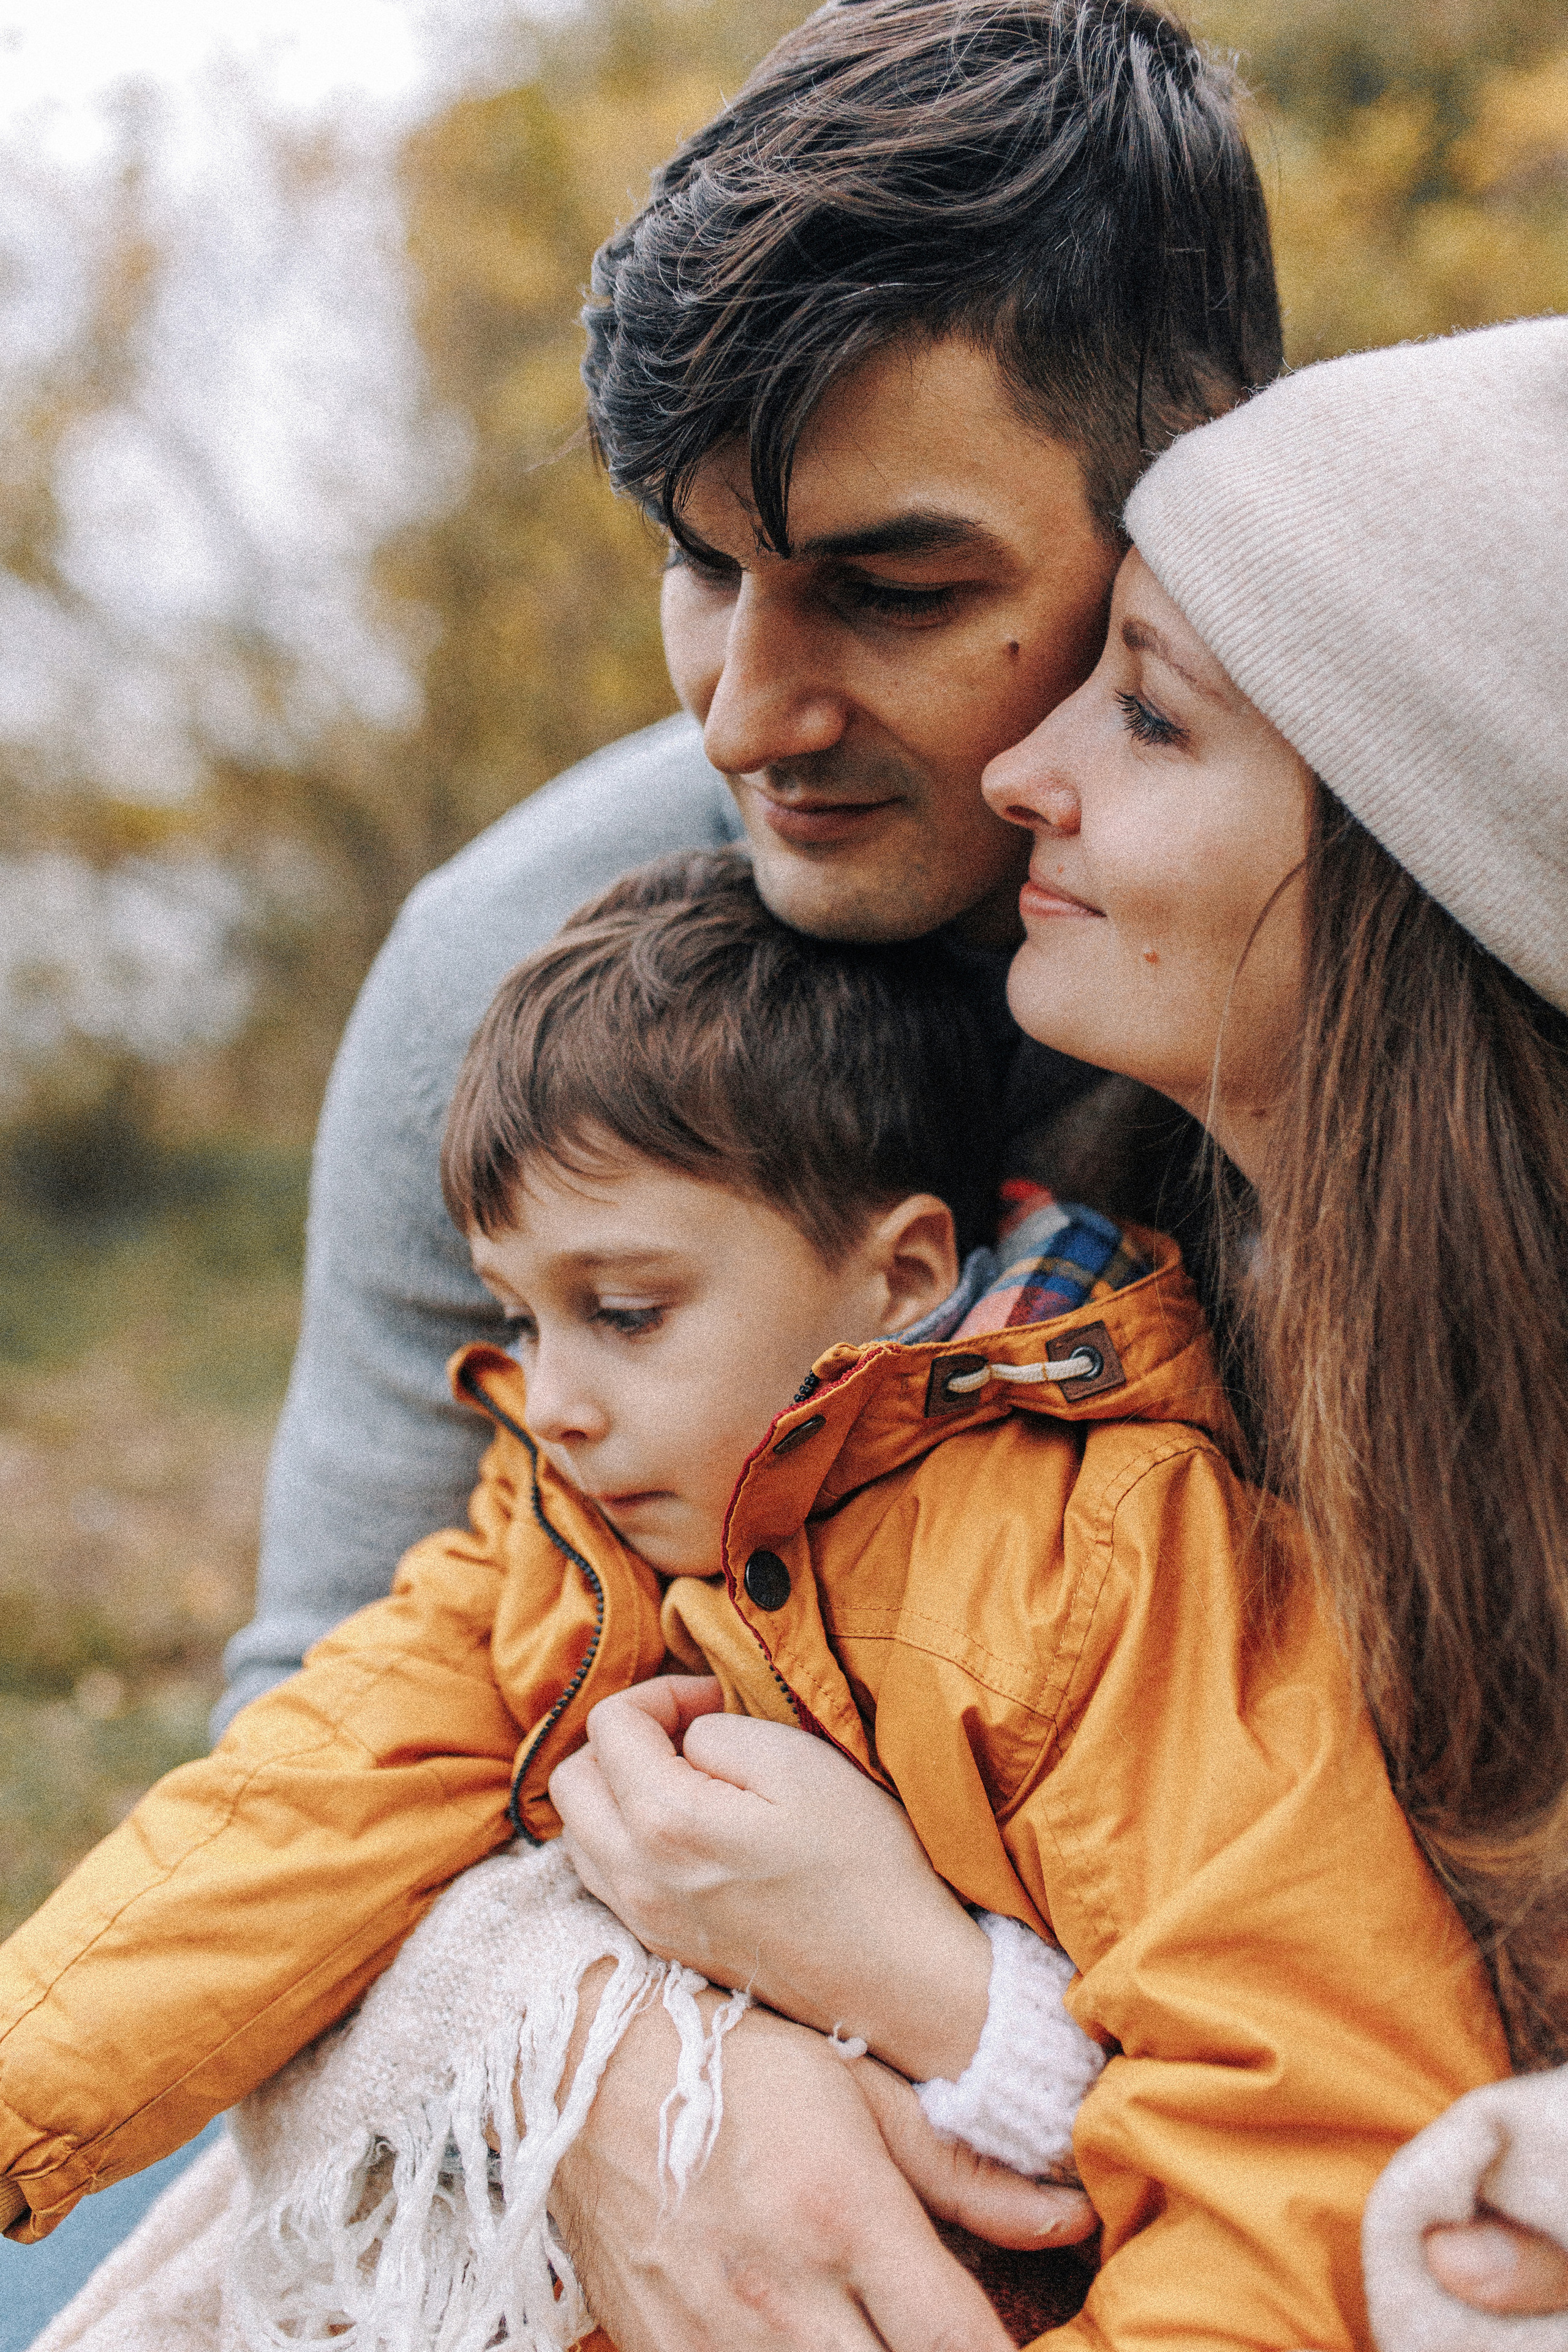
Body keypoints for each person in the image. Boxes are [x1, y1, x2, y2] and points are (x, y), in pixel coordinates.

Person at [162, 5, 1287, 2341]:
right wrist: (615, 2069)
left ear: (1194, 510)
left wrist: (957, 2007)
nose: (747, 712)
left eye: (886, 585)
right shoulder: (523, 971)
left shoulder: (1405, 981)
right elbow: (327, 1697)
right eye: (701, 567)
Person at [0, 848, 1510, 2352]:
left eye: (624, 1312)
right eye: (518, 1318)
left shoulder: (1102, 1559)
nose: (556, 1401)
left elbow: (1291, 2093)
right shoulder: (563, 1537)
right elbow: (298, 1809)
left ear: (898, 1274)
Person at [552, 316, 1568, 2350]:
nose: (1025, 776)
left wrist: (943, 1994)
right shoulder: (1055, 1283)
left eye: (1158, 721)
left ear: (1420, 877)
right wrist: (648, 2031)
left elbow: (1356, 2152)